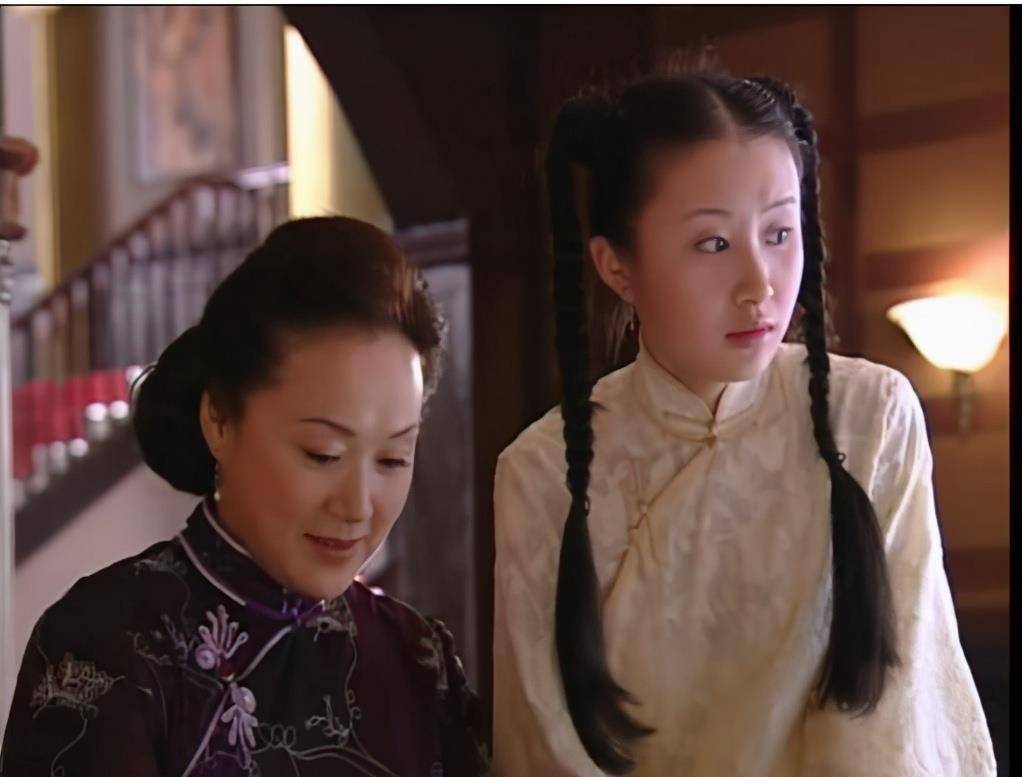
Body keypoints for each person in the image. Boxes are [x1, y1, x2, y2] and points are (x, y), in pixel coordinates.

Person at [491, 69, 996, 775]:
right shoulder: (544, 471)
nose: (760, 284)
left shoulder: (870, 416)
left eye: (780, 232)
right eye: (714, 244)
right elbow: (543, 743)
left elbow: (895, 722)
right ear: (616, 266)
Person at [1, 216, 489, 776]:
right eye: (323, 454)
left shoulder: (418, 659)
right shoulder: (105, 646)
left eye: (392, 459)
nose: (357, 506)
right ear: (220, 420)